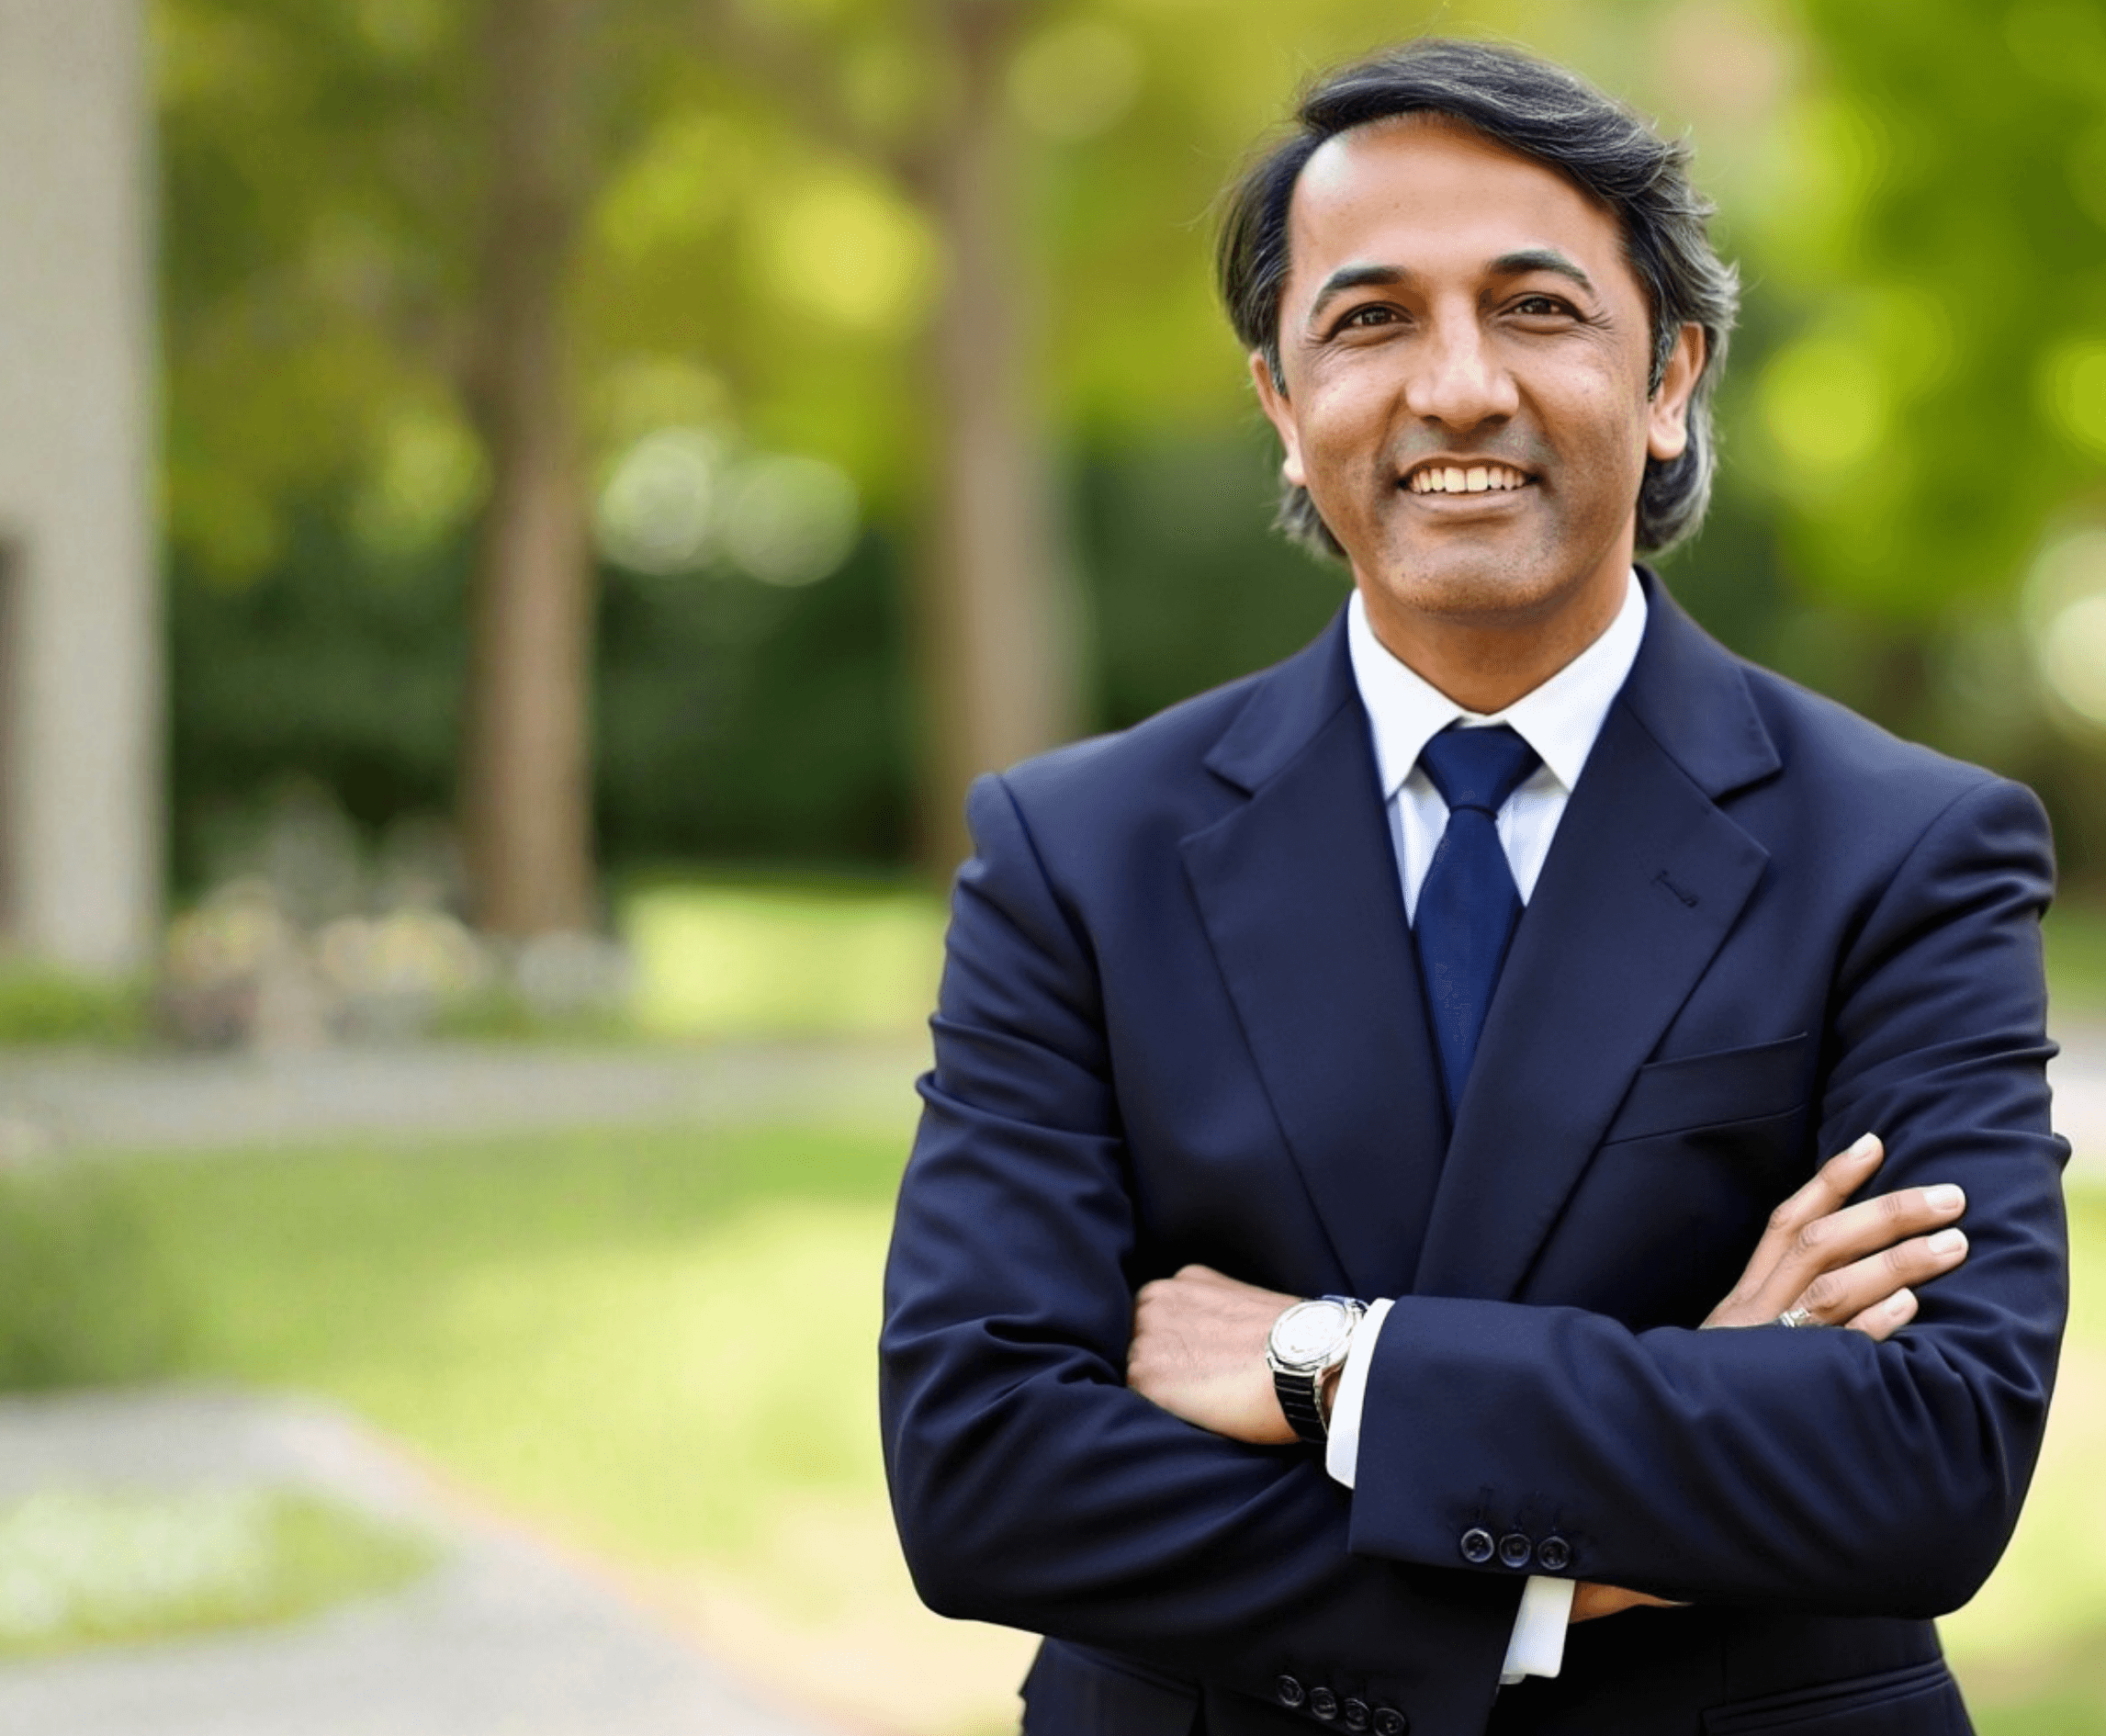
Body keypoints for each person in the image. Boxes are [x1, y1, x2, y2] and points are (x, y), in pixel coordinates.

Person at [878, 38, 2067, 1736]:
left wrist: (1329, 1363)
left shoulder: (1912, 851)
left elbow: (1929, 1457)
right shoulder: (1077, 857)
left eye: (1535, 308)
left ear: (1668, 379)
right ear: (1285, 411)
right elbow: (984, 1468)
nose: (1456, 386)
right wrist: (1614, 1514)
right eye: (1369, 320)